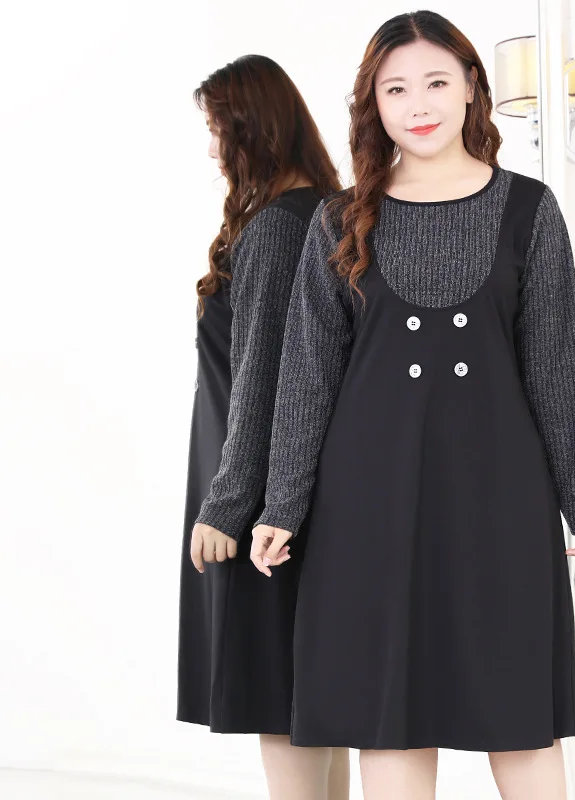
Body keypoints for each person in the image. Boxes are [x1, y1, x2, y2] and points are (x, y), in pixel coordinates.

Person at [252, 11, 575, 799]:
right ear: (373, 103)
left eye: (437, 82)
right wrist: (283, 502)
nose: (418, 104)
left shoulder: (529, 209)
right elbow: (307, 375)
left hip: (501, 500)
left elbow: (557, 365)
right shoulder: (340, 218)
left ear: (472, 87)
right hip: (367, 505)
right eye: (396, 89)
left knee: (520, 712)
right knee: (390, 714)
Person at [176, 54, 349, 800]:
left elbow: (265, 375)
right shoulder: (325, 211)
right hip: (293, 486)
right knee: (312, 703)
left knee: (280, 698)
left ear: (254, 129)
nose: (214, 149)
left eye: (219, 130)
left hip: (262, 503)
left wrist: (228, 504)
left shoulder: (281, 228)